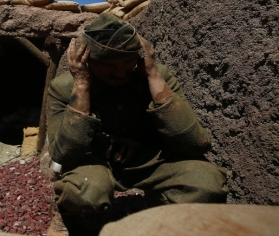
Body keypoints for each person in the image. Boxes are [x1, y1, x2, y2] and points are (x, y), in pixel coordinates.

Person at [46, 13, 229, 235]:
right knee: (86, 190)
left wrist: (153, 76)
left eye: (128, 61)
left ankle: (158, 209)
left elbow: (196, 144)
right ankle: (66, 213)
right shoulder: (63, 88)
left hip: (150, 162)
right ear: (88, 61)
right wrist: (82, 85)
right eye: (107, 65)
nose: (121, 72)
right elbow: (62, 155)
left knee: (207, 182)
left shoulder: (156, 75)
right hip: (97, 165)